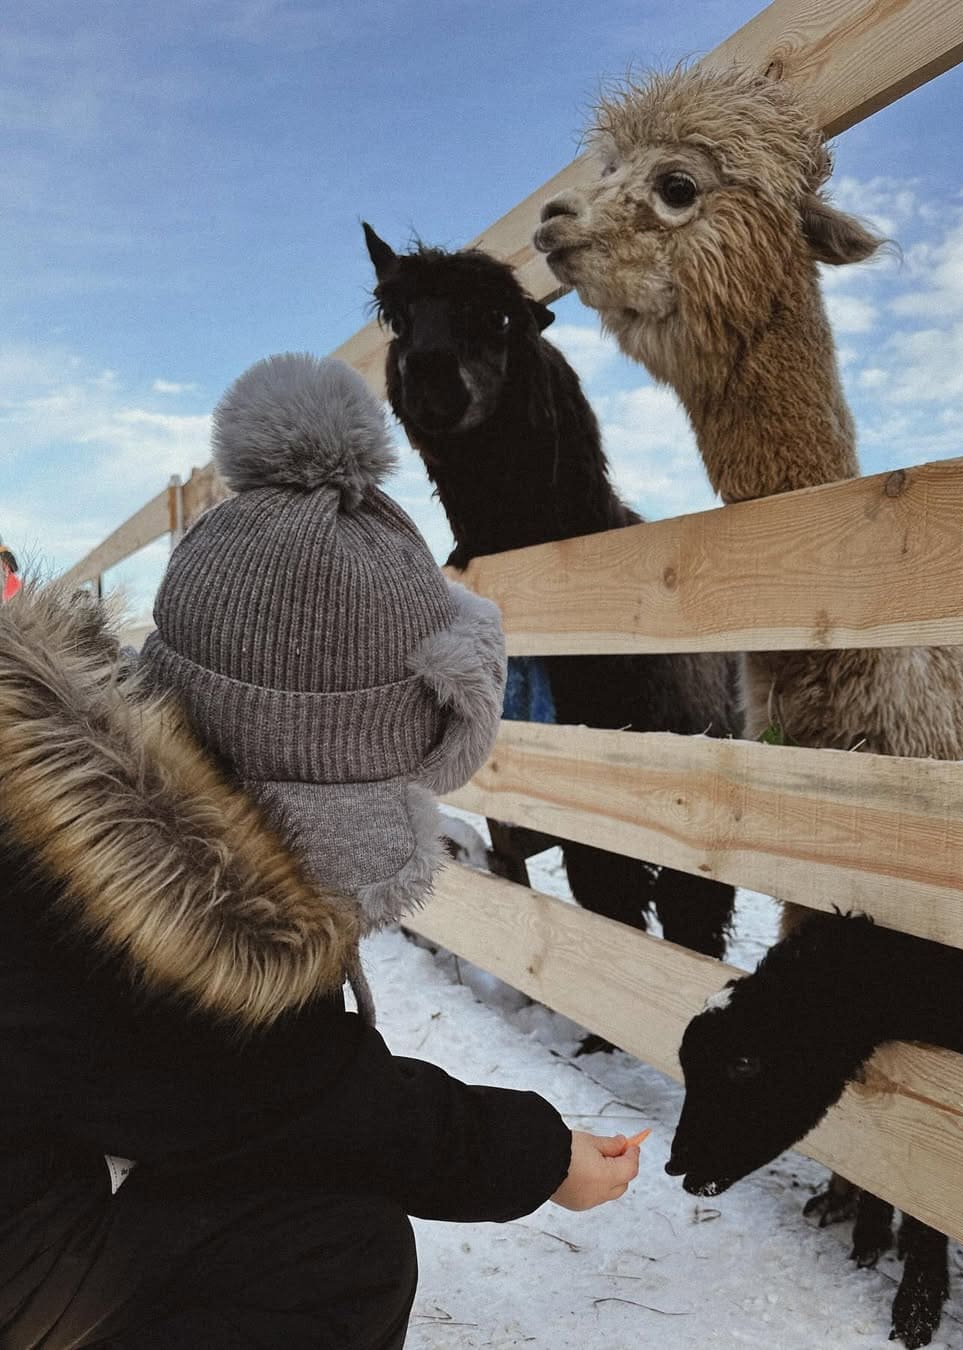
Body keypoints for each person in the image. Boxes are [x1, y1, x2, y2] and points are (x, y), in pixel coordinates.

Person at [0, 353, 640, 1350]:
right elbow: (318, 1101)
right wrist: (545, 1156)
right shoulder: (170, 938)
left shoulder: (59, 794)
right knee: (339, 1249)